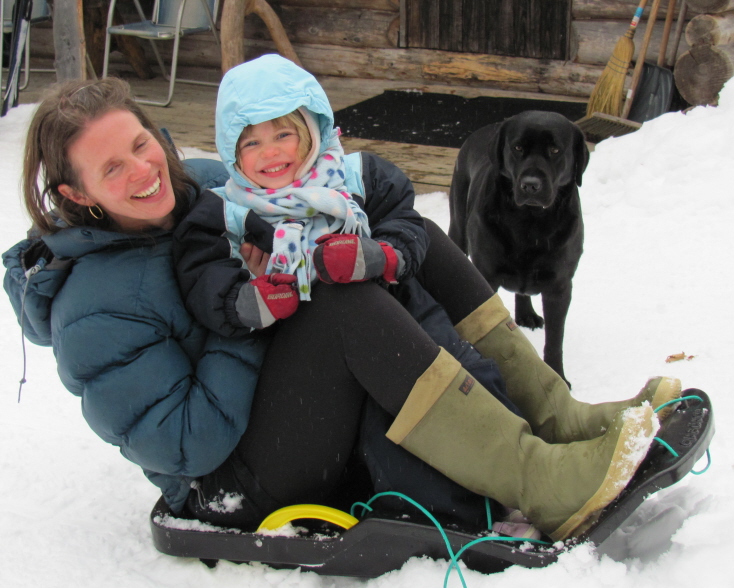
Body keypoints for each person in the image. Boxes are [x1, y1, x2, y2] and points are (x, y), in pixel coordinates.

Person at [3, 70, 679, 547]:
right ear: (76, 191)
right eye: (111, 168)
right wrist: (256, 307)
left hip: (284, 401)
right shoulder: (90, 309)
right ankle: (539, 480)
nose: (143, 170)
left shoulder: (208, 186)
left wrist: (367, 242)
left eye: (140, 144)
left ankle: (554, 413)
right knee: (337, 300)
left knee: (411, 238)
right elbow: (190, 442)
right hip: (232, 478)